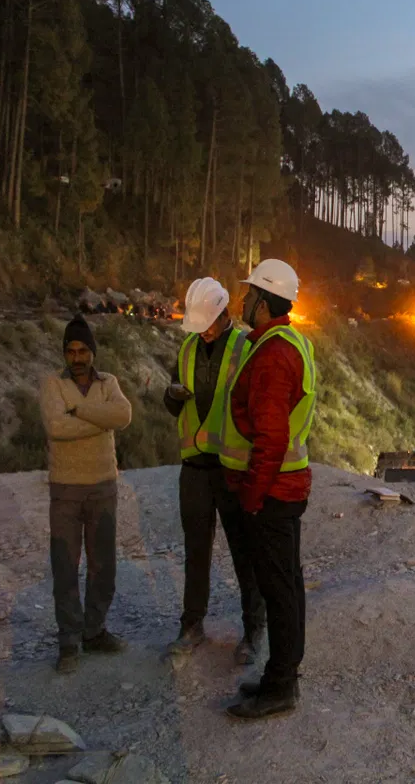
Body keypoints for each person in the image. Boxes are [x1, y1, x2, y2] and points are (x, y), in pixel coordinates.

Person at [220, 259, 317, 720]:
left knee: (278, 588)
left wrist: (253, 497)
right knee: (288, 584)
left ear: (264, 300)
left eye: (248, 294)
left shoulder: (274, 354)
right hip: (286, 488)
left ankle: (281, 685)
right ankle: (283, 674)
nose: (241, 301)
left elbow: (271, 436)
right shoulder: (285, 342)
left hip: (272, 492)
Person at [163, 277, 265, 664]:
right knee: (196, 551)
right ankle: (192, 624)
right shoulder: (188, 347)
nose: (202, 331)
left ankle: (253, 630)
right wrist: (172, 396)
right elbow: (172, 402)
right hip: (194, 467)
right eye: (197, 324)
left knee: (244, 552)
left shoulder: (244, 347)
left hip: (231, 467)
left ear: (224, 315)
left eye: (207, 322)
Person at [40, 315, 132, 674]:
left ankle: (94, 631)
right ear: (65, 353)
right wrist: (100, 419)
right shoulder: (51, 383)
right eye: (70, 351)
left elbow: (123, 415)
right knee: (65, 566)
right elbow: (55, 427)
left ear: (93, 352)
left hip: (102, 486)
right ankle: (68, 641)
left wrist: (79, 409)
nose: (76, 358)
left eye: (82, 351)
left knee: (103, 566)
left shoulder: (109, 382)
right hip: (66, 489)